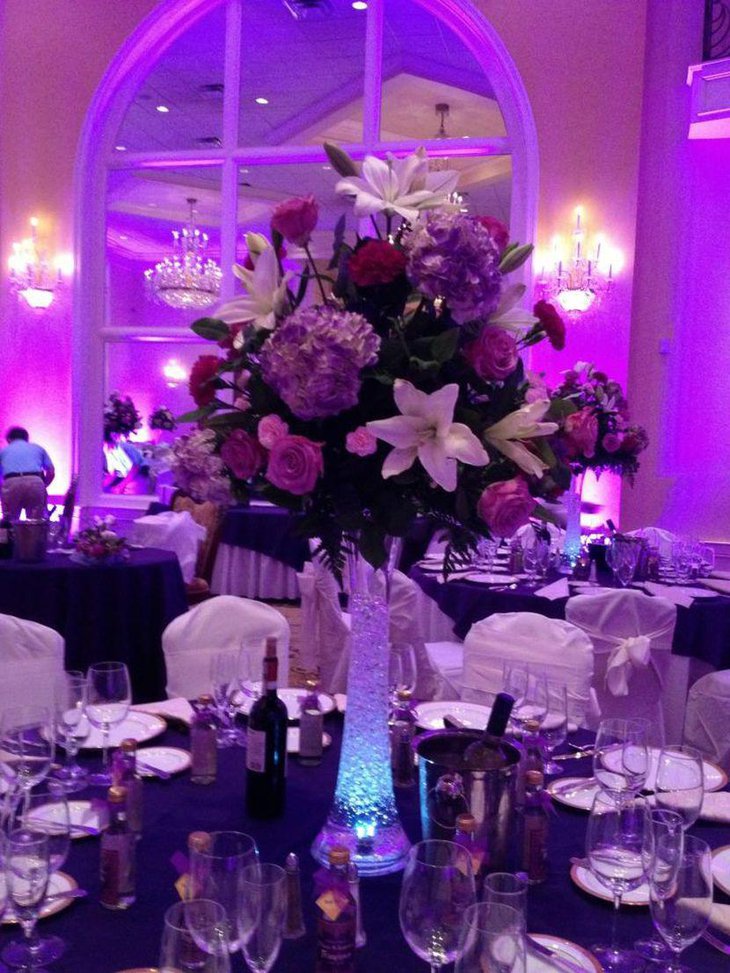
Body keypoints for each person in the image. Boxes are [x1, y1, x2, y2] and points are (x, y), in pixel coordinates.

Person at [0, 426, 55, 520]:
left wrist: (3, 487)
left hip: (11, 482)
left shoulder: (3, 451)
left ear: (9, 439)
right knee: (35, 522)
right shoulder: (38, 448)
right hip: (35, 481)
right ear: (27, 438)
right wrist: (43, 485)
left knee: (10, 521)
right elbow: (51, 471)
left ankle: (11, 533)